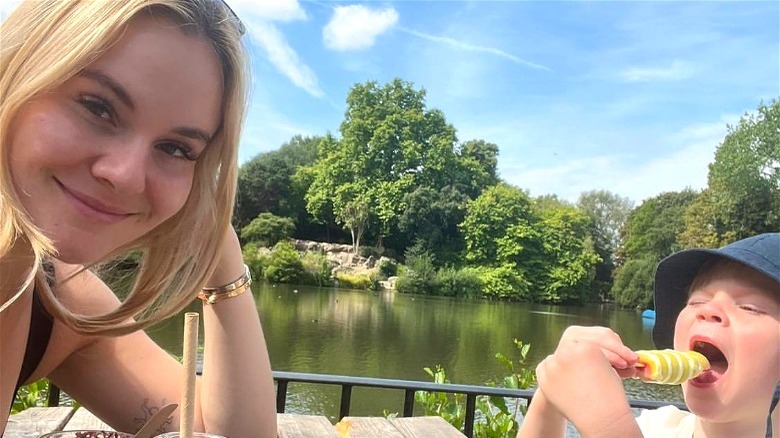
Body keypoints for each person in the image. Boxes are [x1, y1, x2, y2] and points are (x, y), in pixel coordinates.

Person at [0, 0, 276, 436]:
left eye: (177, 149)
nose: (126, 176)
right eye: (97, 106)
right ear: (17, 67)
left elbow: (216, 430)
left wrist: (220, 252)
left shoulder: (57, 302)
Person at [518, 233, 780, 438]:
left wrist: (610, 427)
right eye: (696, 302)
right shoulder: (659, 429)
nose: (708, 311)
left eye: (749, 307)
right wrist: (551, 395)